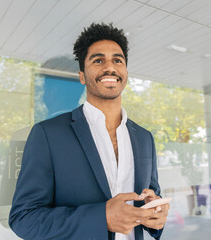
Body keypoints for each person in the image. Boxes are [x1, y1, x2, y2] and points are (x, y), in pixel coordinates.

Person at [9, 22, 169, 240]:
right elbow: (24, 218)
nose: (110, 67)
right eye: (98, 60)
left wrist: (155, 216)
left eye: (117, 60)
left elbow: (150, 196)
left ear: (125, 73)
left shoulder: (144, 138)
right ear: (82, 76)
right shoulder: (47, 134)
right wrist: (101, 217)